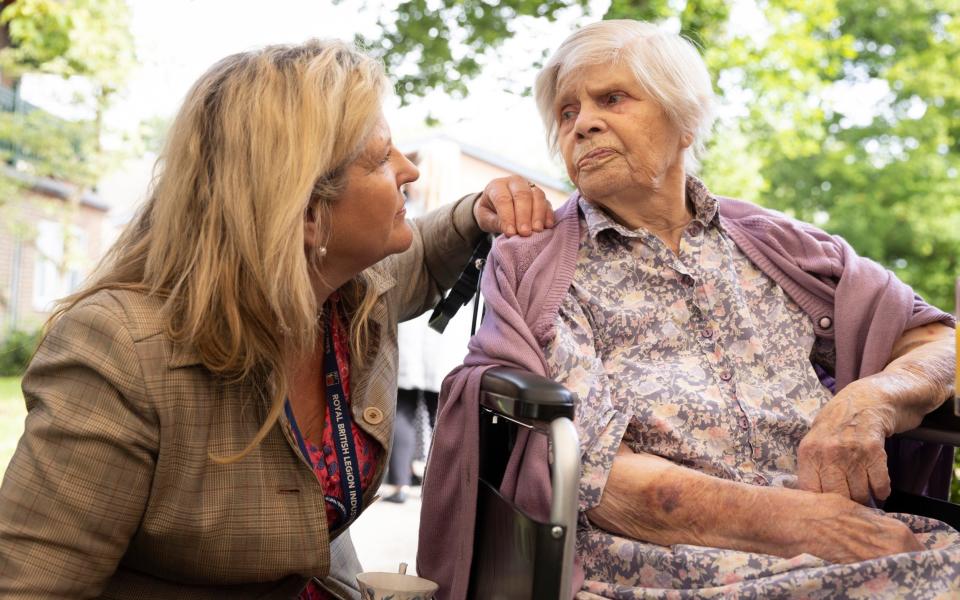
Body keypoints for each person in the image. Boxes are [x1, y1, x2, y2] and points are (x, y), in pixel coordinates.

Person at [418, 20, 959, 599]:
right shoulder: (541, 265)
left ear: (684, 118)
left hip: (851, 534)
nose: (583, 124)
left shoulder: (782, 247)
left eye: (612, 99)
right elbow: (605, 480)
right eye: (567, 112)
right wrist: (808, 523)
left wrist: (869, 400)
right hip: (673, 563)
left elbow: (936, 341)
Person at [0, 40, 554, 599]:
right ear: (307, 210)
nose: (409, 169)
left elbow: (428, 251)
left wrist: (478, 212)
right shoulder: (121, 347)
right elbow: (34, 582)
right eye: (382, 158)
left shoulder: (351, 296)